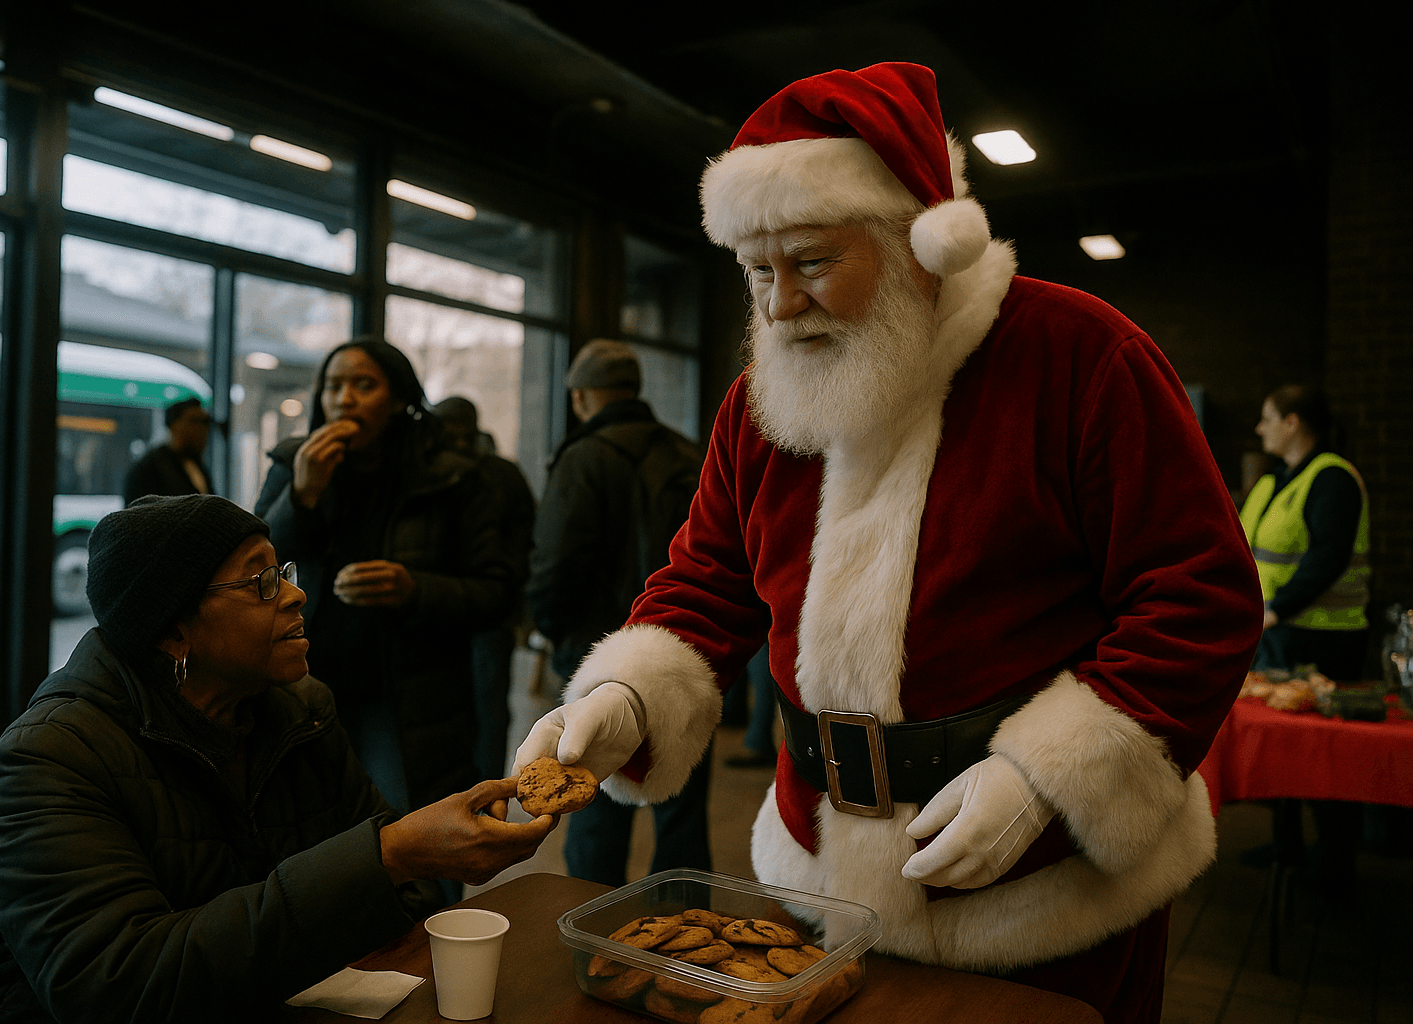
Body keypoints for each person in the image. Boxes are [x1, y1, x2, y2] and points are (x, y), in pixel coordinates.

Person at [513, 63, 1261, 1023]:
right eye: (758, 272)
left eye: (813, 262)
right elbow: (708, 579)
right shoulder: (758, 403)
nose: (779, 306)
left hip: (1043, 893)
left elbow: (1198, 594)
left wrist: (1045, 781)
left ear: (919, 243)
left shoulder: (1080, 355)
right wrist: (625, 697)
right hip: (817, 869)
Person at [0, 495, 554, 1024]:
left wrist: (408, 858)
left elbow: (404, 900)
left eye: (283, 572)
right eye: (262, 583)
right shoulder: (50, 758)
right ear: (173, 629)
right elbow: (118, 989)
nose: (296, 595)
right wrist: (391, 854)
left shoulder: (300, 712)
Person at [254, 339, 520, 816]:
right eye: (333, 386)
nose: (344, 399)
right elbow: (258, 570)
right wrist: (301, 494)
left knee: (403, 824)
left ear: (398, 399)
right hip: (307, 680)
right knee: (312, 826)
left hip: (409, 695)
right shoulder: (295, 465)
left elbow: (496, 594)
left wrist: (414, 589)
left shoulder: (453, 478)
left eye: (363, 385)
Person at [525, 338, 713, 887]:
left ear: (581, 396)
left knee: (595, 792)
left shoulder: (582, 458)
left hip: (597, 654)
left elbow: (553, 564)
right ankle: (682, 925)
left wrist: (556, 634)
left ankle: (594, 923)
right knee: (681, 802)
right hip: (684, 650)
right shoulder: (688, 454)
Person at [1239, 384, 1371, 887]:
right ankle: (1287, 846)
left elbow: (1328, 558)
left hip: (1326, 637)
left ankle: (1335, 862)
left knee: (1329, 753)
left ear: (1293, 423)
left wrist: (1277, 610)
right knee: (1281, 746)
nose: (1260, 428)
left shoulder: (1332, 478)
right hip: (1279, 634)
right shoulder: (1275, 480)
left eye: (1268, 418)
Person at [432, 395, 536, 781]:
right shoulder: (503, 474)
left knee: (458, 708)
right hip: (489, 609)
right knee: (488, 708)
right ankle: (486, 794)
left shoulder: (439, 472)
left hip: (454, 611)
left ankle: (466, 793)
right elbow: (528, 543)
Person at [122, 396, 213, 505]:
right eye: (194, 421)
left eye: (205, 422)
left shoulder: (198, 465)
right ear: (173, 424)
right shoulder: (149, 468)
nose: (202, 429)